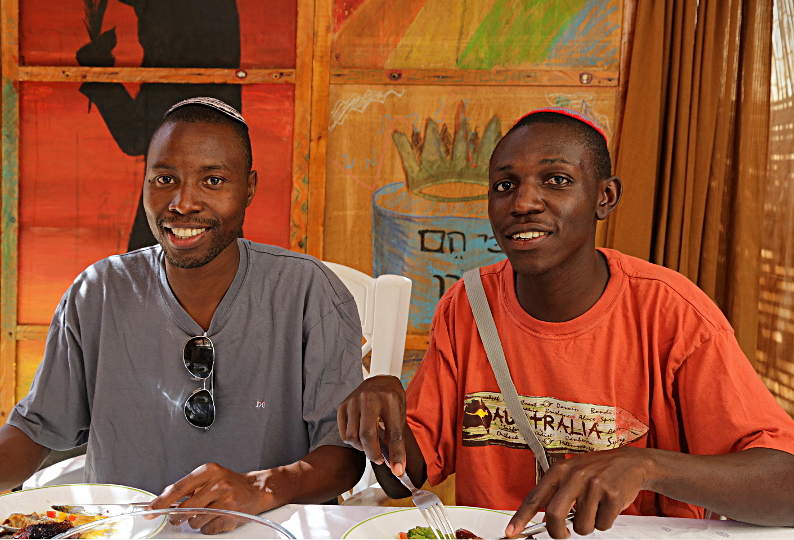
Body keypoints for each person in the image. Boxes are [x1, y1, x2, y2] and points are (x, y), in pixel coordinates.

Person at [338, 107, 794, 539]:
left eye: (556, 180)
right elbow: (404, 482)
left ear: (604, 196)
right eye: (504, 186)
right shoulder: (468, 305)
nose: (524, 202)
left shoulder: (671, 312)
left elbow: (785, 487)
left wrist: (647, 465)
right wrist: (381, 415)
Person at [0, 97, 365, 533]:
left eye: (212, 180)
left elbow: (344, 456)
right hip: (126, 532)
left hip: (267, 530)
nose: (182, 203)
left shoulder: (309, 293)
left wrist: (261, 487)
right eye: (164, 178)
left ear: (248, 187)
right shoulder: (99, 292)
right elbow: (36, 430)